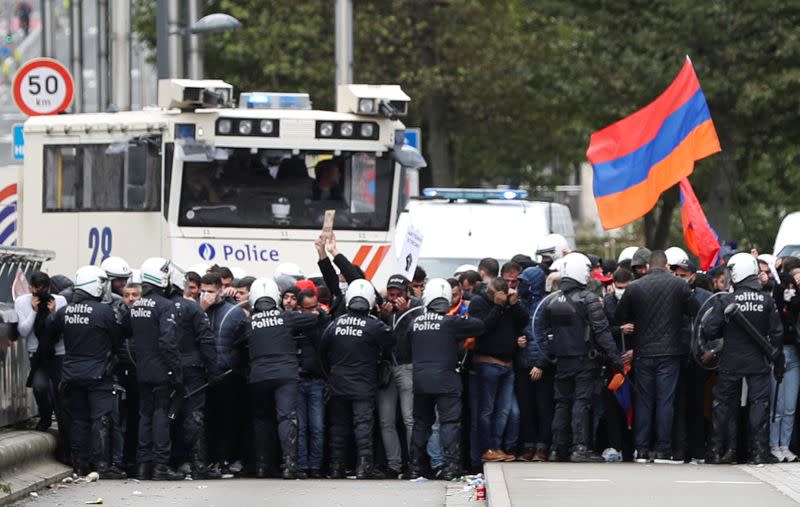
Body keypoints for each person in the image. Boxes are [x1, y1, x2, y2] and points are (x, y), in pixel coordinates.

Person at [533, 253, 623, 462]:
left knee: (562, 403)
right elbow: (602, 332)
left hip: (561, 361)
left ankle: (557, 449)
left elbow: (541, 331)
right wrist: (615, 359)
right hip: (584, 360)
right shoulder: (588, 299)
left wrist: (549, 355)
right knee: (581, 403)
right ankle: (579, 448)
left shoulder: (552, 301)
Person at [39, 266, 124, 478]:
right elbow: (117, 340)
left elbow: (47, 340)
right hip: (98, 374)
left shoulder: (64, 312)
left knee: (78, 421)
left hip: (71, 373)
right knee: (101, 420)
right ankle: (102, 466)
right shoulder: (105, 311)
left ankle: (80, 465)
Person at [616, 250, 699, 463]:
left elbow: (620, 315)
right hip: (670, 352)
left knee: (644, 401)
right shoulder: (679, 285)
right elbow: (694, 310)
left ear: (649, 265)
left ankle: (641, 450)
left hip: (643, 352)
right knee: (665, 401)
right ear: (665, 265)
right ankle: (663, 450)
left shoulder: (634, 287)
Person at [703, 253, 784, 464]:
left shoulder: (726, 299)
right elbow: (777, 333)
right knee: (759, 404)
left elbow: (710, 330)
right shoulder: (767, 300)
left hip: (730, 361)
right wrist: (778, 361)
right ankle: (758, 453)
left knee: (722, 405)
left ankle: (717, 451)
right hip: (758, 361)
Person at [408, 278, 485, 480]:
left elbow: (404, 347)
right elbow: (478, 326)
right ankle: (452, 465)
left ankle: (415, 466)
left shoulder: (414, 322)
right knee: (449, 423)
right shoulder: (451, 322)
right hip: (447, 381)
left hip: (421, 381)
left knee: (421, 424)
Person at [244, 278, 319, 479]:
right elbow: (313, 319)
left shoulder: (248, 322)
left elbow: (237, 339)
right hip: (286, 375)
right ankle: (289, 466)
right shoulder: (286, 317)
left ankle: (261, 466)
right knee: (286, 418)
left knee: (261, 420)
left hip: (259, 375)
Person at [320, 279, 395, 479]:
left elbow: (322, 351)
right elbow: (391, 342)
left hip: (338, 383)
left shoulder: (335, 323)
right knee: (363, 426)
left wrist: (331, 373)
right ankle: (364, 467)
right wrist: (384, 318)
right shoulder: (374, 325)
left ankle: (336, 467)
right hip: (364, 383)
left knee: (338, 427)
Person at [127, 258, 183, 481]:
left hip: (142, 369)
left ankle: (144, 465)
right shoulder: (164, 305)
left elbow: (126, 334)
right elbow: (167, 342)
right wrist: (176, 371)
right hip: (161, 369)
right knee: (161, 415)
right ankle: (161, 465)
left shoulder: (137, 305)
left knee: (145, 415)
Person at [168, 267, 221, 480]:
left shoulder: (163, 307)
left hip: (167, 369)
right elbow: (206, 340)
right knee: (194, 416)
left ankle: (169, 462)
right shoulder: (192, 309)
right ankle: (198, 464)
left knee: (167, 416)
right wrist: (214, 369)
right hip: (192, 369)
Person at [468, 276, 528, 464]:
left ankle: (496, 446)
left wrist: (514, 304)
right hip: (487, 363)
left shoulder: (509, 304)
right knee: (486, 410)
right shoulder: (479, 302)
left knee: (504, 411)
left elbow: (523, 320)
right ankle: (486, 449)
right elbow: (482, 328)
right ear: (490, 290)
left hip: (507, 365)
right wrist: (497, 306)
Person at [199, 272, 248, 476]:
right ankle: (208, 459)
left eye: (210, 291)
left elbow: (241, 343)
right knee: (206, 420)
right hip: (203, 375)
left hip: (227, 375)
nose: (206, 295)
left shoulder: (233, 312)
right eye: (203, 291)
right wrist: (201, 309)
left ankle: (224, 459)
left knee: (226, 420)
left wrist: (233, 366)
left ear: (220, 289)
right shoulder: (198, 310)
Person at [377, 274, 423, 478]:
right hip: (388, 368)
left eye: (398, 294)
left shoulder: (417, 309)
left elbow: (415, 337)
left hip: (407, 366)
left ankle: (415, 463)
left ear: (407, 293)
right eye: (391, 294)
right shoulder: (385, 309)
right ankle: (393, 464)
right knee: (386, 420)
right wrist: (383, 319)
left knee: (408, 418)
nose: (394, 299)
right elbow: (381, 339)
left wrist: (404, 316)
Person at [15, 272, 68, 432]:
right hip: (37, 353)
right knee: (39, 387)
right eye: (36, 291)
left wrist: (53, 314)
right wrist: (33, 311)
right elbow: (23, 331)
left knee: (61, 391)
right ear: (30, 288)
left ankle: (63, 425)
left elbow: (64, 330)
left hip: (58, 353)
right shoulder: (21, 301)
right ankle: (45, 416)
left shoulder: (60, 300)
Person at [517, 265, 553, 462]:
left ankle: (542, 446)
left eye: (524, 282)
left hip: (541, 365)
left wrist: (541, 363)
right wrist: (517, 340)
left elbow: (550, 337)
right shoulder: (519, 304)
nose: (520, 285)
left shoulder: (547, 304)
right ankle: (528, 445)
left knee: (543, 407)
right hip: (522, 363)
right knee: (526, 407)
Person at [295, 289, 331, 479]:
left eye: (315, 307)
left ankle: (315, 466)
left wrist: (316, 321)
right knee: (301, 427)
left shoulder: (323, 322)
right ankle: (302, 465)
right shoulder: (293, 322)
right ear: (300, 308)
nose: (313, 311)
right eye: (308, 309)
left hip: (317, 379)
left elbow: (324, 346)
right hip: (299, 378)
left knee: (317, 427)